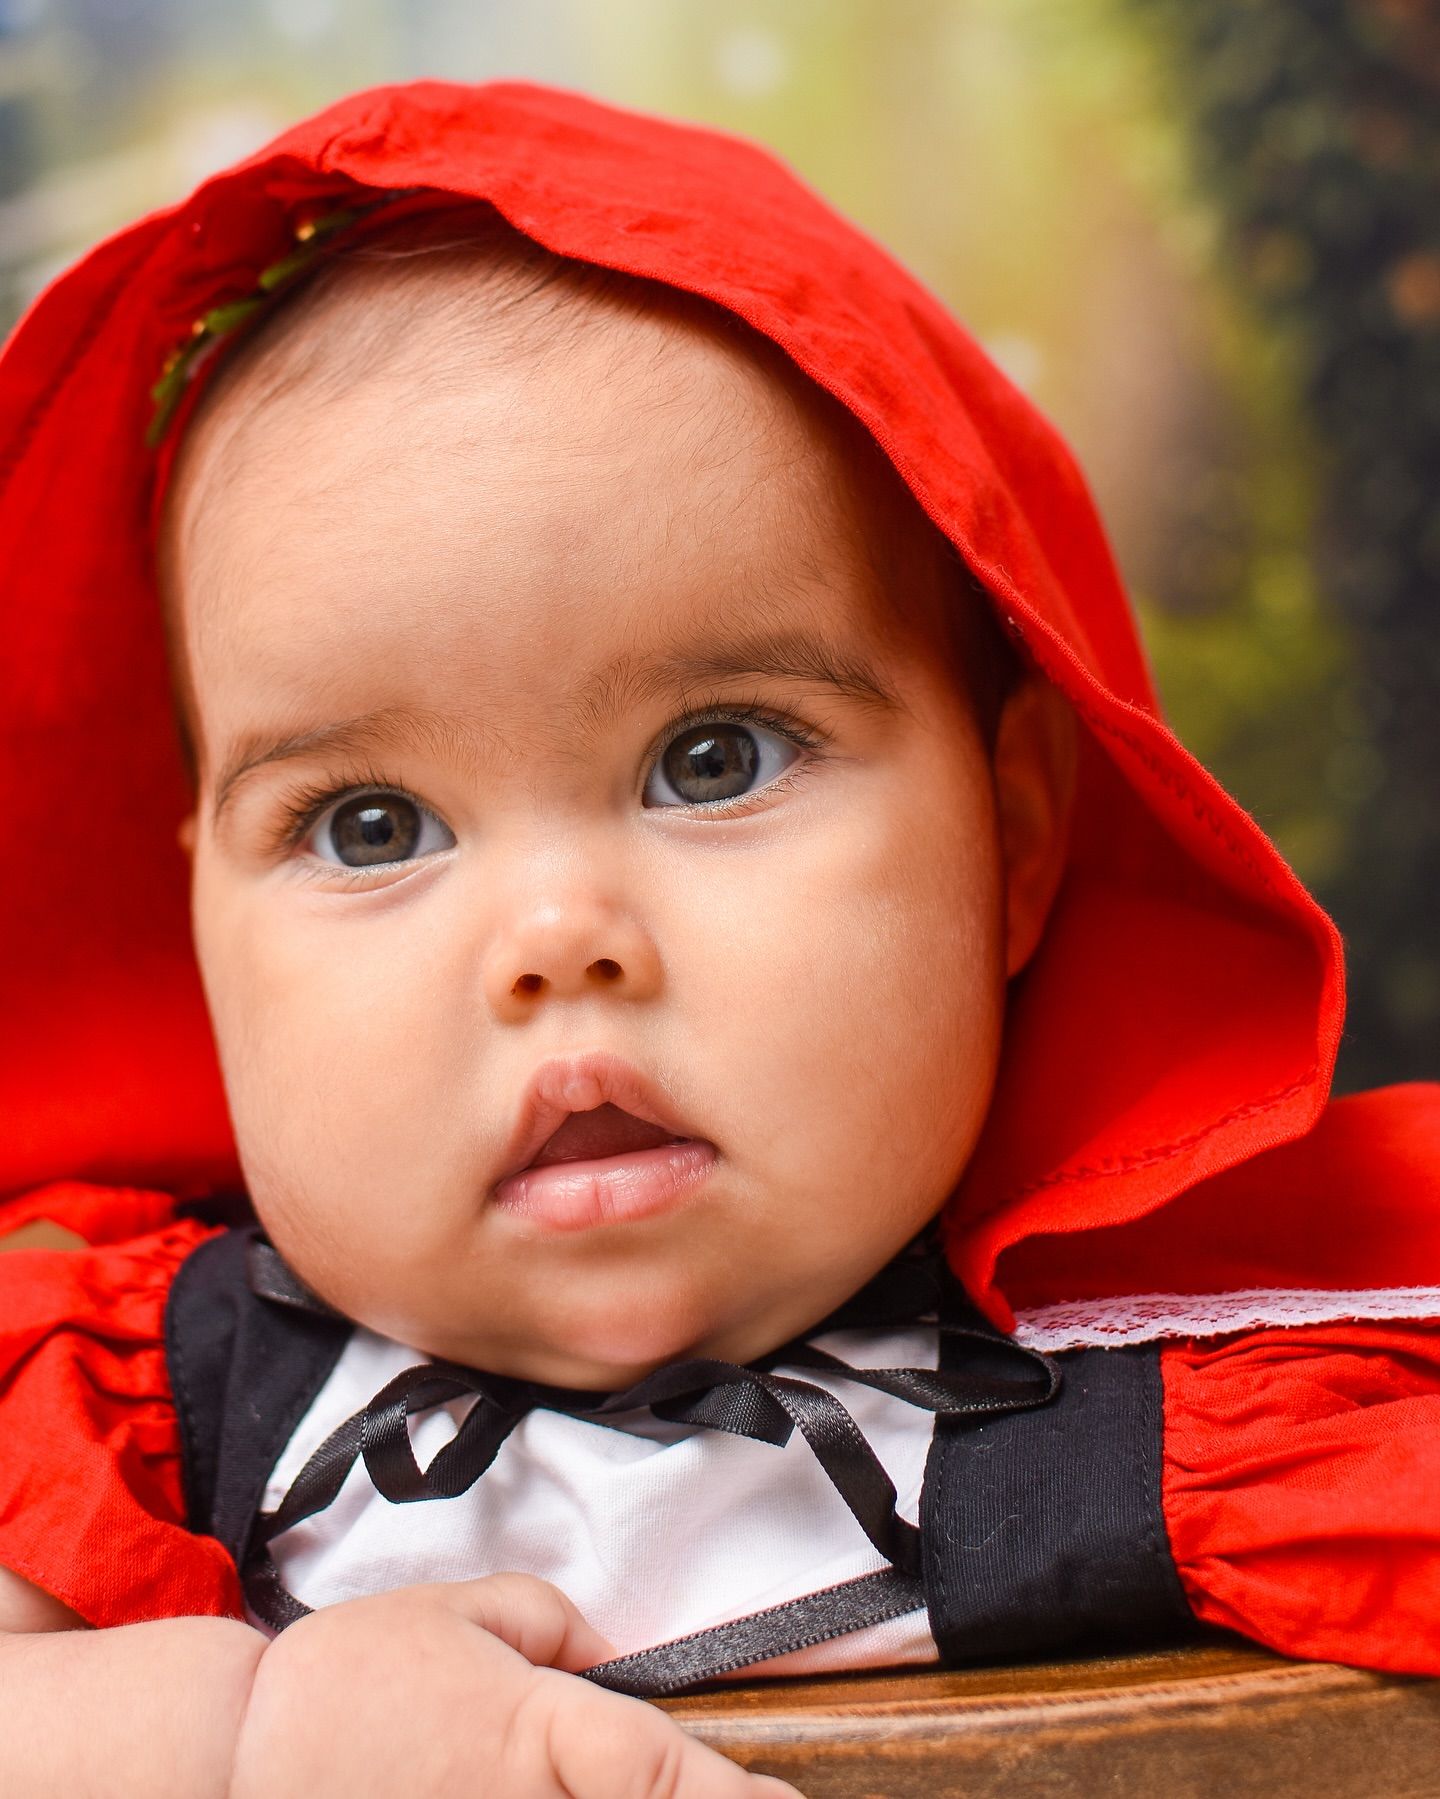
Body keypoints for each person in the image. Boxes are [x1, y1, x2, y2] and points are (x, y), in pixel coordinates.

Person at [0, 79, 1437, 1797]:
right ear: (200, 929)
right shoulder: (114, 1413)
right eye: (369, 826)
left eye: (714, 759)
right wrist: (231, 1739)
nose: (554, 943)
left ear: (1017, 837)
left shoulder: (1225, 1396)